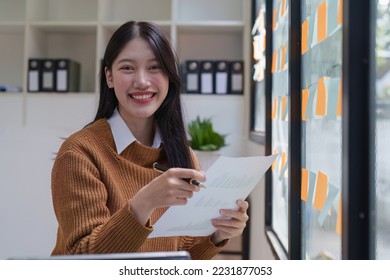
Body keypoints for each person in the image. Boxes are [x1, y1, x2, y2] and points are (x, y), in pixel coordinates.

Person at [50, 20, 249, 260]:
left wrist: (217, 233)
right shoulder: (79, 153)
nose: (142, 81)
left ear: (169, 77)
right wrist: (144, 203)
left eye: (154, 67)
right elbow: (81, 258)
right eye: (127, 68)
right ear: (109, 77)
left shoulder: (181, 154)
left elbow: (182, 255)